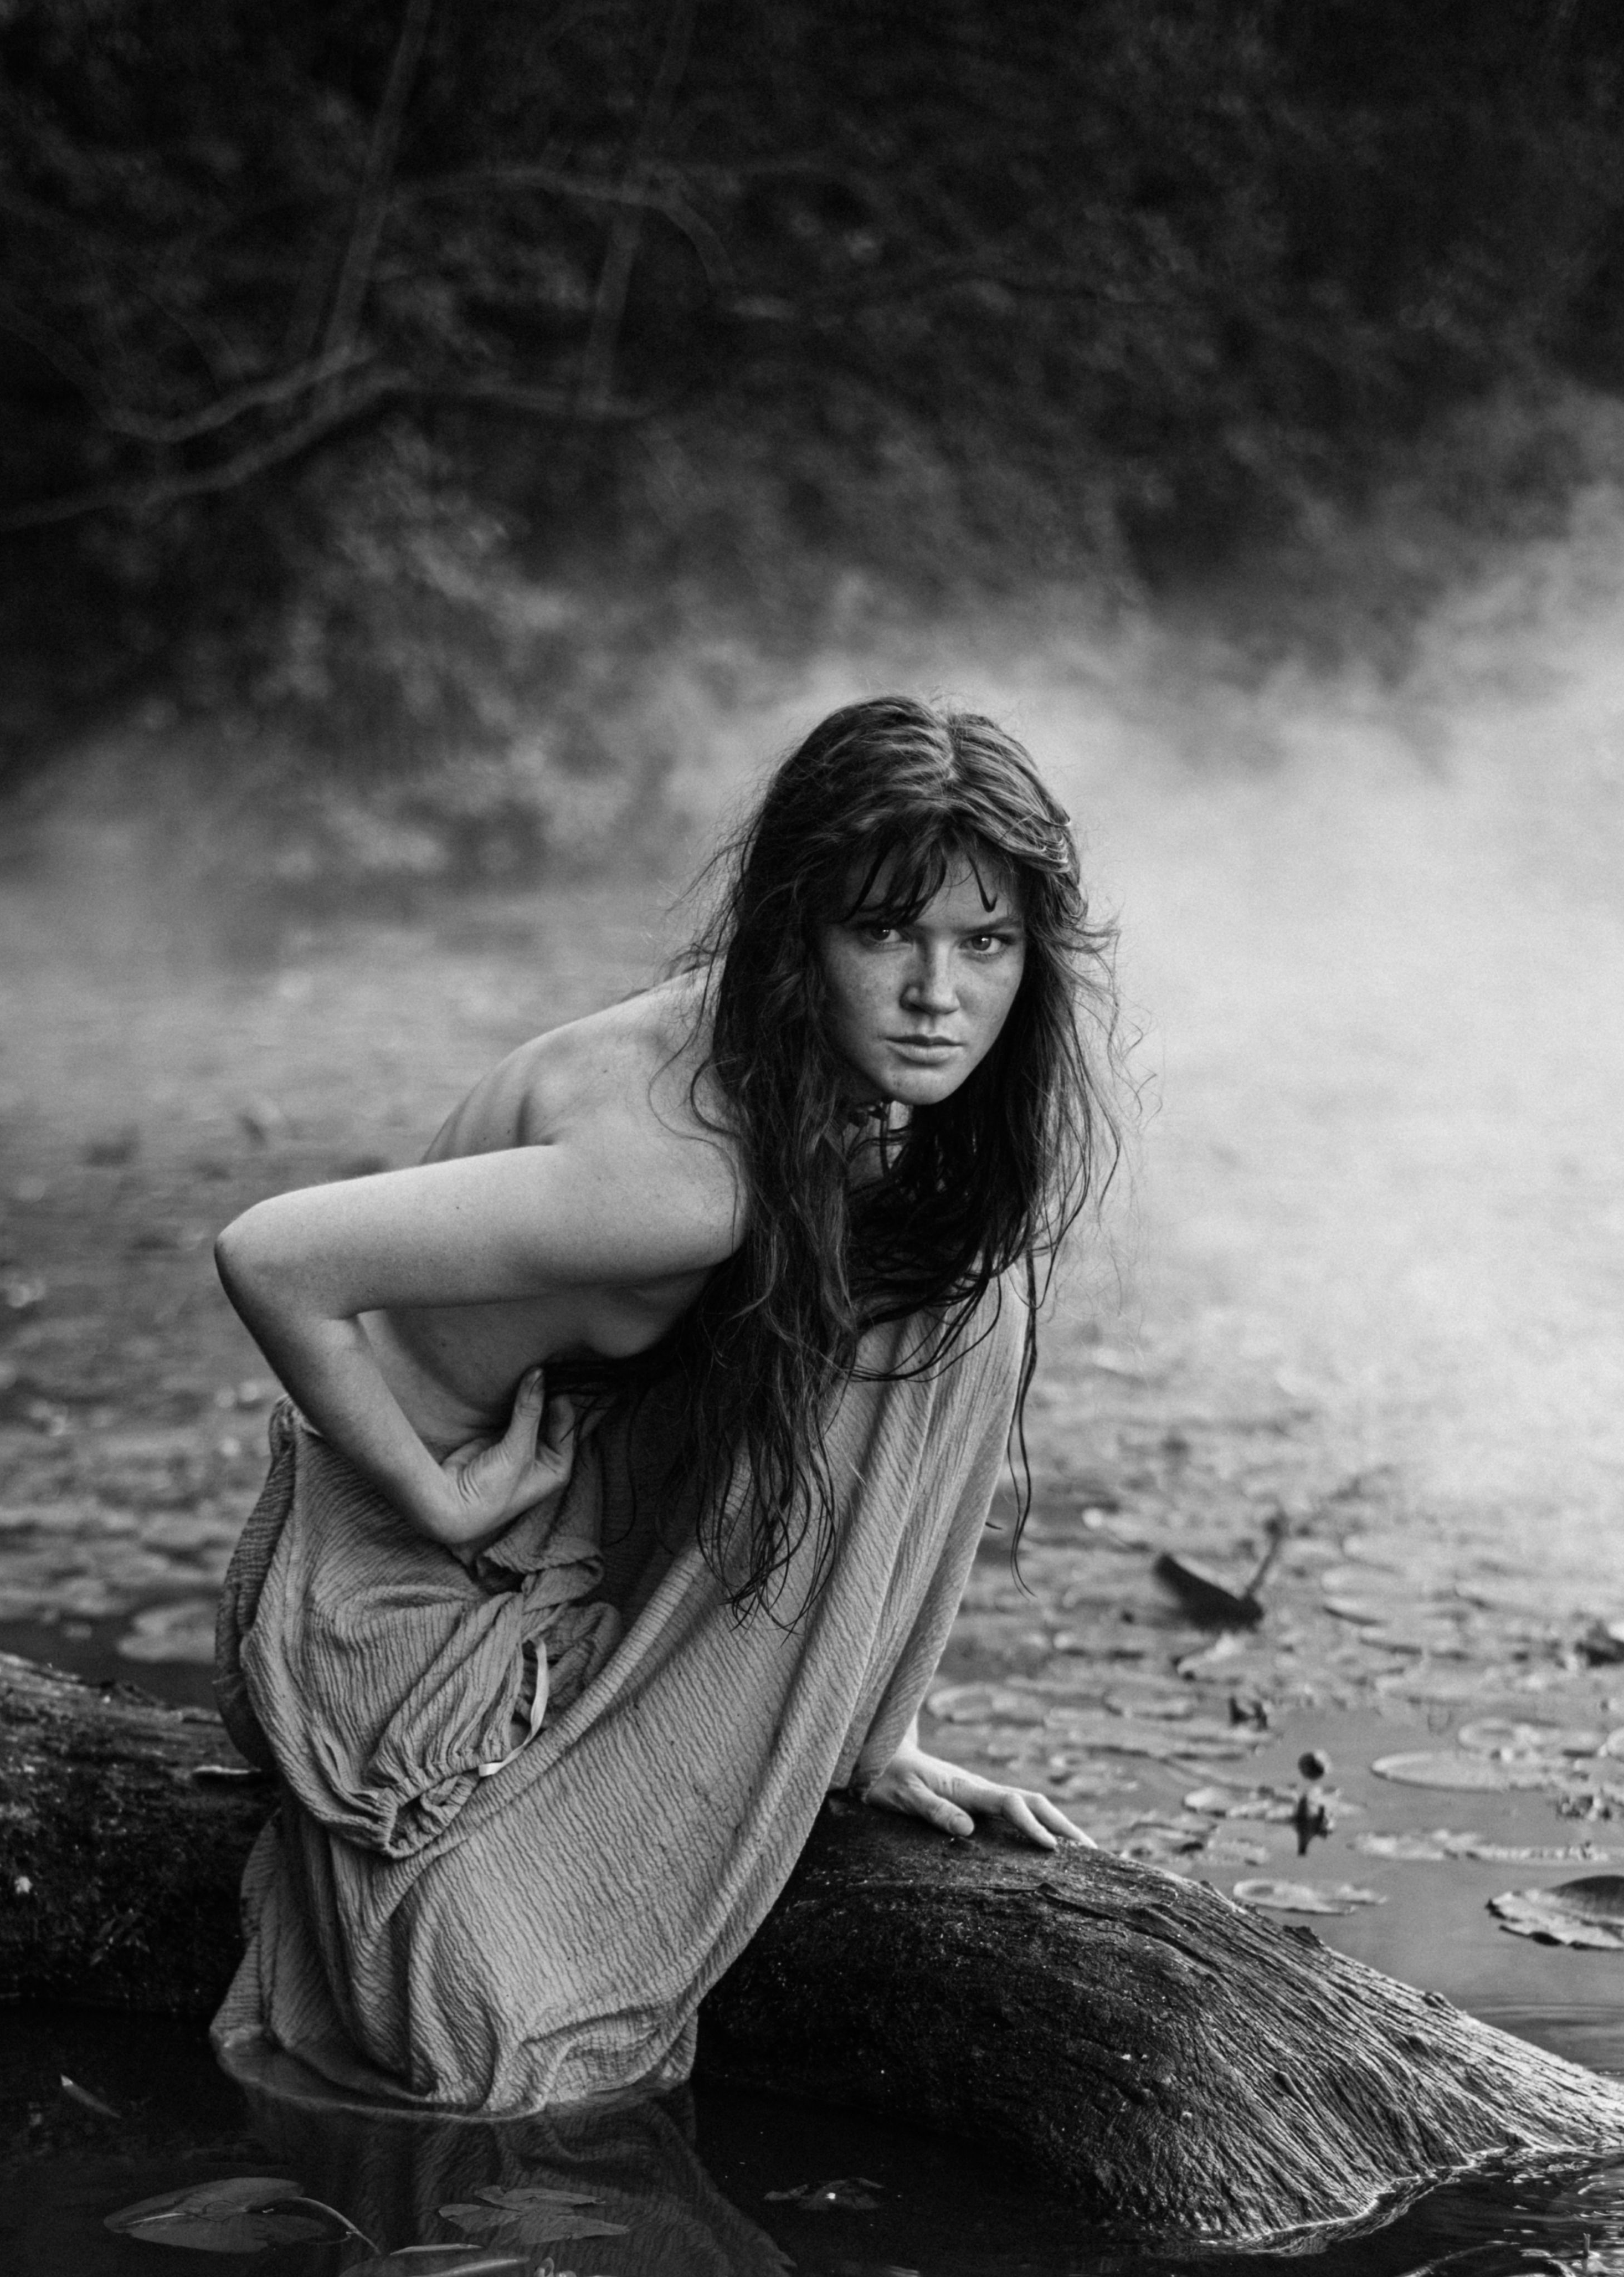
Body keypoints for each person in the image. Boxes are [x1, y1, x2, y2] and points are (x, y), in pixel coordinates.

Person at [210, 694, 1117, 2118]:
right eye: (886, 934)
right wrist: (435, 1497)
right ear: (801, 932)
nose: (938, 994)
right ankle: (759, 1764)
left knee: (955, 1293)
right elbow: (273, 1254)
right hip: (398, 1598)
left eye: (984, 944)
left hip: (561, 1480)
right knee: (487, 2026)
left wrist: (877, 1726)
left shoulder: (774, 1056)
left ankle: (864, 1740)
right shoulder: (684, 1177)